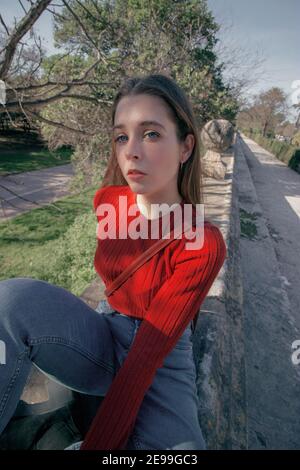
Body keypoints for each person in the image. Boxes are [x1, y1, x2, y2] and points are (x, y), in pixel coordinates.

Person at [0, 73, 227, 451]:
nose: (131, 151)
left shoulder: (202, 242)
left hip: (162, 355)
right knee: (10, 300)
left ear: (186, 146)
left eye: (151, 134)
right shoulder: (108, 201)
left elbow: (145, 360)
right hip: (104, 332)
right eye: (121, 136)